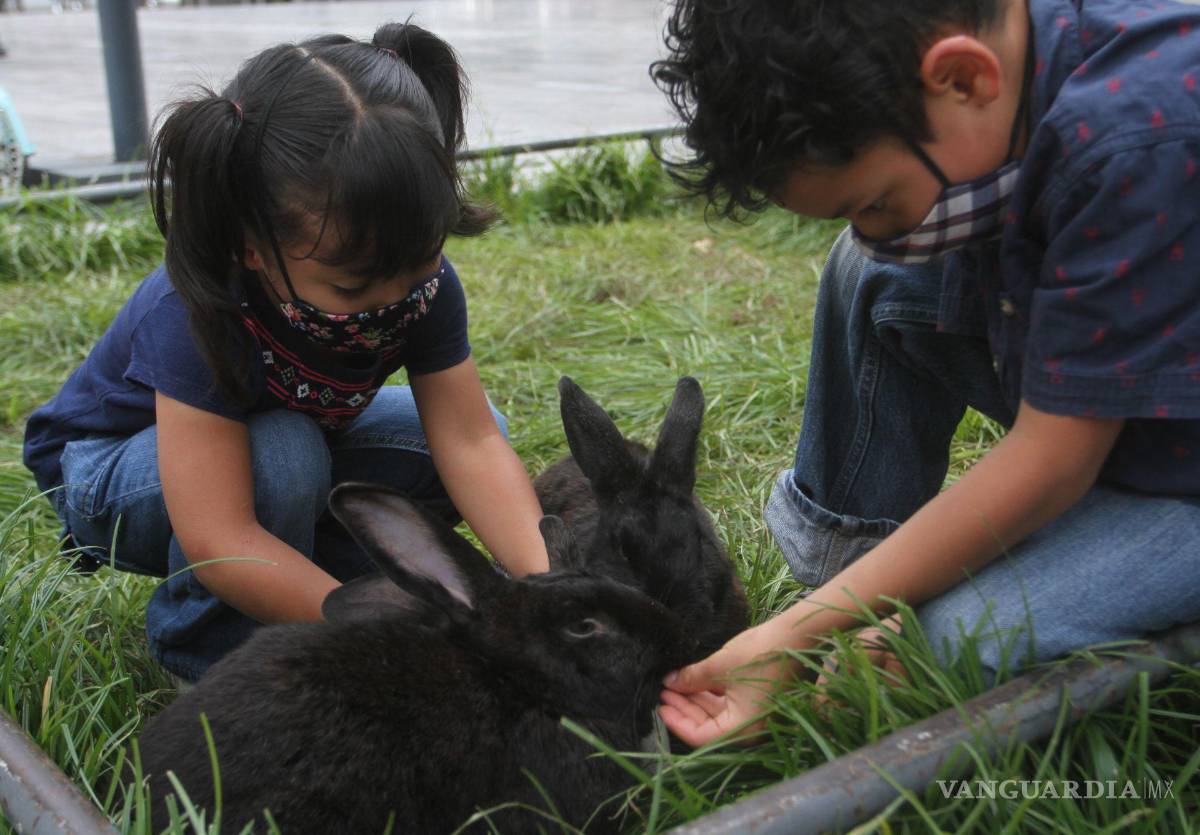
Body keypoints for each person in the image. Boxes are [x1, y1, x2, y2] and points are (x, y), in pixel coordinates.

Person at [651, 0, 1200, 745]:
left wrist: (803, 632)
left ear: (965, 78)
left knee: (930, 650)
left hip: (1176, 469)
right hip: (1116, 390)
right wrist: (821, 618)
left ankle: (865, 619)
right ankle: (847, 570)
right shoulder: (1019, 63)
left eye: (877, 202)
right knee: (869, 277)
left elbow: (1054, 461)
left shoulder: (1137, 141)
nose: (878, 232)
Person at [23, 23, 549, 683]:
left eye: (419, 261)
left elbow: (470, 445)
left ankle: (311, 582)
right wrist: (376, 627)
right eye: (354, 284)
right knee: (284, 453)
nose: (395, 296)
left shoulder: (421, 290)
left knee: (453, 438)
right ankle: (207, 657)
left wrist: (545, 593)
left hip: (276, 450)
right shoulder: (199, 308)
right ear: (249, 243)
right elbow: (218, 538)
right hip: (111, 473)